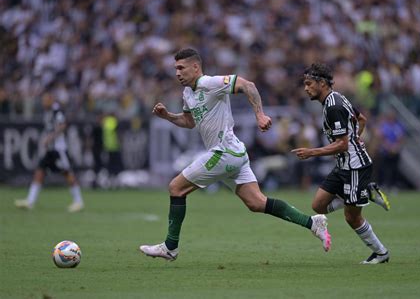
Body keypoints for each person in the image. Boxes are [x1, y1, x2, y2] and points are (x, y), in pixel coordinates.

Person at [139, 48, 331, 261]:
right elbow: (189, 122)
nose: (177, 73)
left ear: (196, 67)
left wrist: (259, 115)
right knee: (257, 203)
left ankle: (170, 247)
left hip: (224, 152)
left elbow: (248, 85)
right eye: (175, 68)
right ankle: (313, 223)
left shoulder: (209, 83)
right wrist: (167, 116)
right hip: (234, 153)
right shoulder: (188, 93)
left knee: (176, 187)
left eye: (181, 68)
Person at [291, 63, 390, 264]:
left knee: (352, 218)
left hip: (355, 167)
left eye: (309, 84)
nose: (306, 88)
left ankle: (381, 253)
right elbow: (362, 119)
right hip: (344, 165)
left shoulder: (333, 106)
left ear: (321, 83)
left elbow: (342, 145)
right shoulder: (337, 98)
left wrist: (312, 152)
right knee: (318, 205)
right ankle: (365, 192)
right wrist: (356, 137)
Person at [15, 92, 84, 212]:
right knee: (39, 172)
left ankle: (78, 201)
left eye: (45, 100)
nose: (43, 102)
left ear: (51, 100)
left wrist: (50, 137)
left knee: (67, 173)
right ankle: (30, 201)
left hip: (59, 149)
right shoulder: (48, 112)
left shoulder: (56, 111)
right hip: (50, 150)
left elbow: (62, 126)